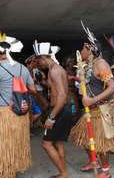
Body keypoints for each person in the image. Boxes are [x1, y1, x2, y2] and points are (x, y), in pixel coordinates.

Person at [0, 27, 36, 178]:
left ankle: (8, 174)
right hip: (21, 114)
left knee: (4, 148)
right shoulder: (23, 68)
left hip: (5, 115)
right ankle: (11, 173)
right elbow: (33, 90)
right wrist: (19, 87)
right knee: (15, 146)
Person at [69, 39, 114, 177]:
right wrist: (79, 80)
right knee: (85, 139)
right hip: (90, 110)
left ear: (90, 49)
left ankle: (106, 171)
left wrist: (91, 100)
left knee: (101, 143)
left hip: (102, 109)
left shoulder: (101, 64)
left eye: (83, 49)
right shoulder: (89, 65)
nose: (81, 52)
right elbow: (93, 82)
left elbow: (112, 87)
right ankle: (93, 160)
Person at [33, 41, 72, 178]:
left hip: (59, 110)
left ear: (44, 57)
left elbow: (61, 95)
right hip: (62, 110)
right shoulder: (56, 69)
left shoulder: (54, 71)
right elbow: (52, 86)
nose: (38, 63)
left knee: (46, 144)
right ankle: (64, 172)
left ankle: (63, 173)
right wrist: (40, 81)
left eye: (38, 60)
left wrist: (51, 117)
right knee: (58, 144)